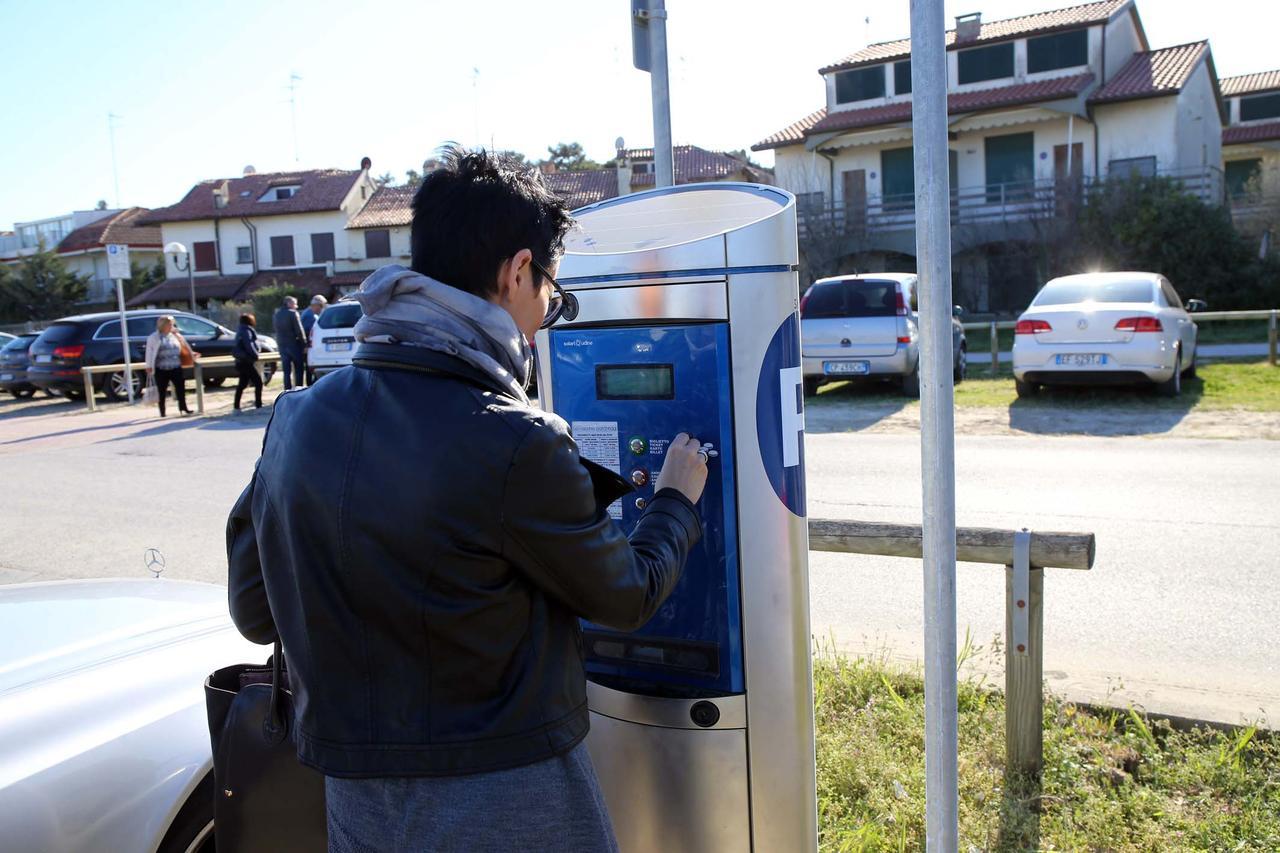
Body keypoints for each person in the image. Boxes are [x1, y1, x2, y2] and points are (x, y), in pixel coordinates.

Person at [227, 147, 707, 852]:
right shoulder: (515, 440)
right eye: (552, 293)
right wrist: (674, 500)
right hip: (508, 798)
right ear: (518, 271)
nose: (546, 315)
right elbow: (625, 595)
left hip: (358, 801)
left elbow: (254, 607)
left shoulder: (296, 418)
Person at [144, 315, 195, 417]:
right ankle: (162, 411)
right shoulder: (154, 337)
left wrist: (192, 354)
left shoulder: (176, 336)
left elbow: (185, 346)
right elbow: (149, 352)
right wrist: (149, 365)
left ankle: (183, 407)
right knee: (161, 391)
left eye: (172, 324)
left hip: (176, 366)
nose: (172, 326)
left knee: (180, 388)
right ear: (163, 325)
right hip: (161, 368)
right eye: (170, 324)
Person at [272, 295, 307, 389]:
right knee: (299, 368)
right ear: (289, 303)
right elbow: (299, 330)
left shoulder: (277, 314)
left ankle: (287, 389)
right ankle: (299, 388)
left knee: (286, 370)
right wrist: (304, 344)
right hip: (293, 344)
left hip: (282, 344)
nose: (297, 306)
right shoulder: (293, 313)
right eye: (295, 304)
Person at [232, 313, 263, 411]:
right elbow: (249, 344)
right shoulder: (246, 331)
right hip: (246, 361)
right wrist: (255, 355)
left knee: (242, 384)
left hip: (241, 361)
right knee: (258, 382)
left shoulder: (240, 330)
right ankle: (258, 404)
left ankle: (236, 406)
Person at [301, 294, 327, 385]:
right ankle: (310, 386)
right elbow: (307, 332)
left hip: (308, 345)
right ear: (316, 305)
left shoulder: (309, 313)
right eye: (321, 306)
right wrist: (307, 345)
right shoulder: (310, 316)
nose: (321, 309)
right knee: (310, 368)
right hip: (308, 346)